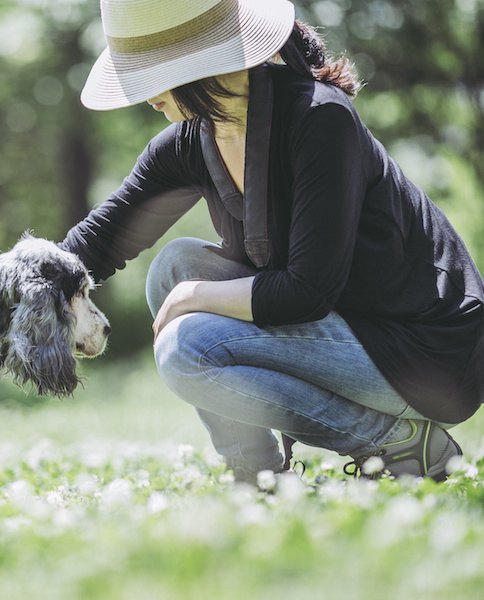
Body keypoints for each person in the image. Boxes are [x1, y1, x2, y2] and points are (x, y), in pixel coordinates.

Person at [61, 0, 484, 482]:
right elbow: (97, 241)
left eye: (147, 73)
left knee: (187, 348)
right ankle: (257, 473)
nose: (142, 94)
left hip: (426, 354)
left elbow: (307, 291)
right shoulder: (191, 139)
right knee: (174, 265)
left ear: (195, 65)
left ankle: (398, 444)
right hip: (343, 330)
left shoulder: (320, 118)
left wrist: (193, 297)